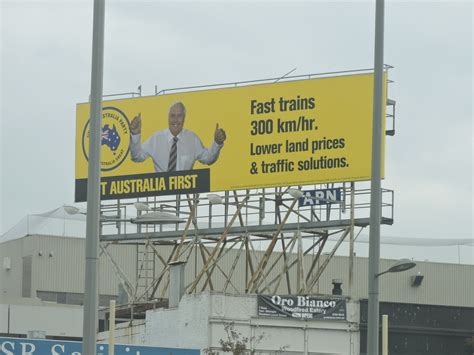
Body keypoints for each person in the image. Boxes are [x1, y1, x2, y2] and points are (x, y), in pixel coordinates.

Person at [129, 101, 227, 172]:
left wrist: (217, 143)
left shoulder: (192, 139)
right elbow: (137, 157)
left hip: (184, 196)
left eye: (179, 116)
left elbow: (208, 159)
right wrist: (135, 134)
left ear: (184, 118)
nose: (175, 120)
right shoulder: (156, 138)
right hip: (161, 196)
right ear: (168, 117)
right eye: (172, 116)